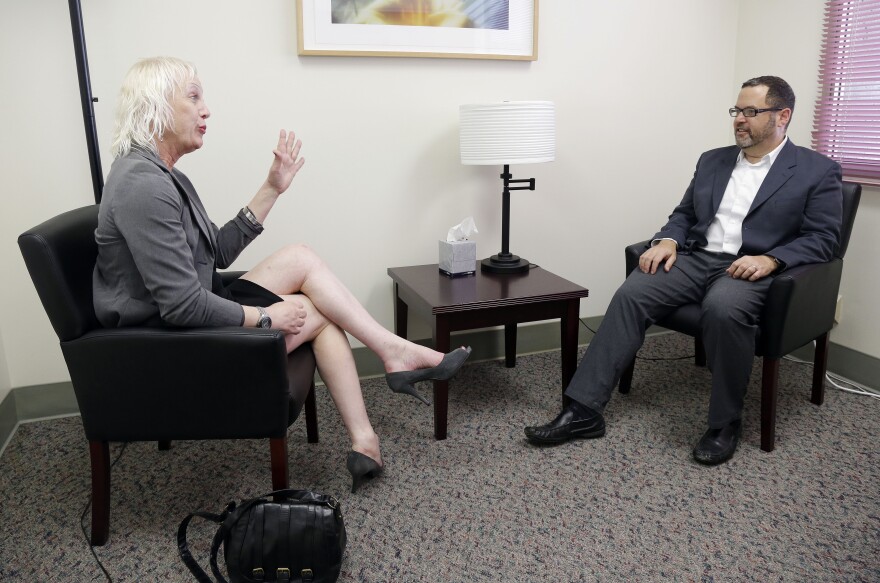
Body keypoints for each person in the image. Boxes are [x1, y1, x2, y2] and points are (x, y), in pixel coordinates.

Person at [93, 57, 470, 493]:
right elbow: (181, 306)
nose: (206, 109)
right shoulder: (144, 185)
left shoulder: (161, 175)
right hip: (174, 344)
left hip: (190, 314)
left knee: (301, 258)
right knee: (321, 311)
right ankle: (380, 396)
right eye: (193, 97)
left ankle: (377, 402)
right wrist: (268, 318)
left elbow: (213, 251)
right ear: (156, 107)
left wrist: (272, 187)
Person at [524, 76, 843, 465]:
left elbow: (824, 238)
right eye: (736, 111)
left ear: (782, 116)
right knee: (631, 293)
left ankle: (725, 424)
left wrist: (772, 259)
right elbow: (685, 214)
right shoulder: (713, 160)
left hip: (750, 269)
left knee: (724, 309)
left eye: (750, 112)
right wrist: (668, 241)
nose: (739, 120)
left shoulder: (817, 170)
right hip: (696, 258)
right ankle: (583, 411)